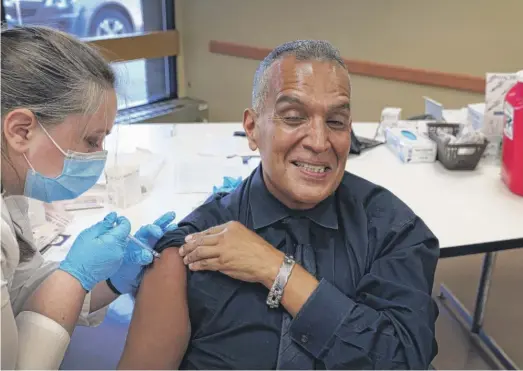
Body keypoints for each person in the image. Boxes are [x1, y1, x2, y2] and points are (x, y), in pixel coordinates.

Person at [122, 40, 439, 369]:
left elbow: (404, 361)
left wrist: (278, 271)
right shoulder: (190, 251)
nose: (318, 142)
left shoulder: (392, 230)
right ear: (252, 128)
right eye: (293, 117)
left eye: (335, 121)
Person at [0, 26, 178, 370]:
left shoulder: (11, 193)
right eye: (92, 140)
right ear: (22, 130)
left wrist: (108, 280)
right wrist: (75, 275)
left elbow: (19, 293)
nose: (99, 155)